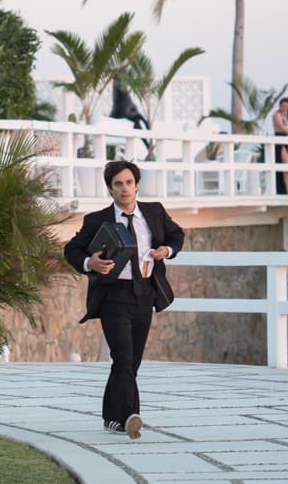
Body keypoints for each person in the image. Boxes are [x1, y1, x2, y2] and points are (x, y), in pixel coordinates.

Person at [64, 160, 184, 441]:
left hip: (144, 295)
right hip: (113, 297)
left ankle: (111, 417)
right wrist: (89, 263)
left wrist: (166, 250)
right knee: (123, 356)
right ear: (109, 188)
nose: (125, 188)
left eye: (129, 182)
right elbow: (72, 250)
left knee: (131, 363)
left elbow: (178, 236)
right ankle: (131, 416)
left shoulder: (154, 213)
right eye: (118, 184)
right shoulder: (97, 220)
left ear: (137, 184)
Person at [272, 97, 288, 195]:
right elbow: (282, 128)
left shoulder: (286, 116)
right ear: (280, 105)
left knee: (286, 165)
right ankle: (286, 189)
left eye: (287, 106)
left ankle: (287, 188)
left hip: (285, 139)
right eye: (283, 105)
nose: (285, 107)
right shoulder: (277, 115)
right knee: (284, 164)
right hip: (279, 138)